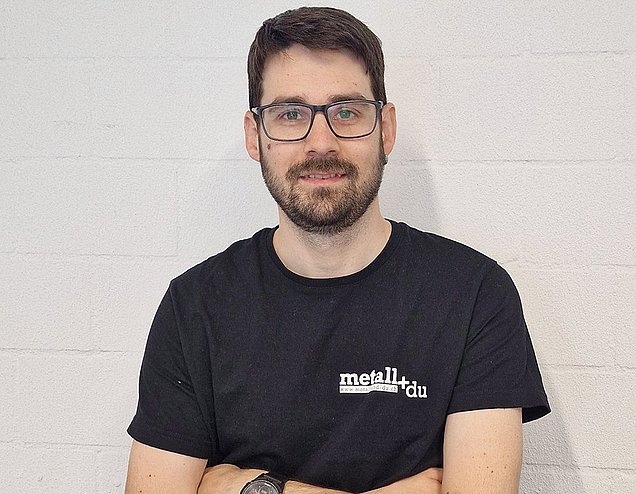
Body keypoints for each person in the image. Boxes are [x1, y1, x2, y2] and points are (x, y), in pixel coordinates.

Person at [125, 6, 550, 494]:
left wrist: (241, 487)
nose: (321, 143)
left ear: (385, 129)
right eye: (290, 114)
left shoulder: (473, 294)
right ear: (254, 136)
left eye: (347, 111)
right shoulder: (196, 305)